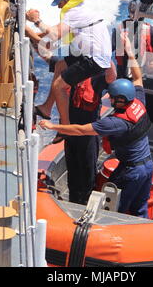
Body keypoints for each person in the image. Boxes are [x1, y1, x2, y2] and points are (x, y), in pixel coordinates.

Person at [39, 32, 153, 218]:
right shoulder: (139, 101)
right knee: (138, 208)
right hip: (145, 165)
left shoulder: (116, 122)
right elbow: (138, 78)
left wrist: (54, 127)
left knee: (115, 209)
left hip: (132, 169)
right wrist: (130, 52)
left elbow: (82, 130)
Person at [26, 0, 112, 124]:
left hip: (94, 59)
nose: (59, 7)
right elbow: (53, 37)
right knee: (60, 66)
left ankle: (65, 126)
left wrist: (36, 21)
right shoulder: (81, 11)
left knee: (59, 86)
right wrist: (34, 35)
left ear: (66, 0)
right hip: (91, 54)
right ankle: (47, 108)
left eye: (59, 3)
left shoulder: (74, 13)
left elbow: (53, 35)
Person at [64, 61, 117, 205]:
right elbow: (53, 60)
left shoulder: (97, 78)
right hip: (71, 132)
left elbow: (111, 77)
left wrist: (107, 58)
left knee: (87, 172)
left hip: (88, 134)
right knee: (72, 169)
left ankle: (86, 204)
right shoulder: (71, 74)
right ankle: (72, 200)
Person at [114, 0, 153, 78]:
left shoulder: (150, 29)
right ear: (129, 12)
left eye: (136, 13)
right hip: (123, 70)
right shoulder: (119, 29)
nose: (134, 16)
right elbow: (109, 49)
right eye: (132, 12)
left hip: (143, 70)